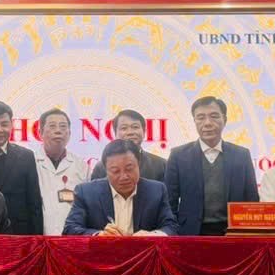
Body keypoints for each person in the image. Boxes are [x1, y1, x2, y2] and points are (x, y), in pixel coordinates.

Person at [165, 97, 259, 236]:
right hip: (190, 233)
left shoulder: (241, 155)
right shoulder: (178, 155)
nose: (207, 123)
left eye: (214, 116)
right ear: (194, 121)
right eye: (200, 118)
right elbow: (169, 202)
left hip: (233, 233)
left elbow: (252, 199)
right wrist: (174, 231)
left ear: (224, 120)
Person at [64, 139, 178, 236]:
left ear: (138, 164)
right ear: (106, 170)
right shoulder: (86, 192)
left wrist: (152, 235)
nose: (124, 177)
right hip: (103, 254)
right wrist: (99, 235)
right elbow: (70, 229)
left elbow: (171, 227)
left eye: (129, 169)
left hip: (145, 254)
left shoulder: (156, 190)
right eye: (115, 171)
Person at [0, 100, 44, 235]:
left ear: (11, 125)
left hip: (18, 234)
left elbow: (34, 203)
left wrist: (36, 239)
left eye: (4, 124)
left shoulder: (26, 156)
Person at [34, 108, 89, 236]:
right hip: (39, 238)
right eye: (52, 126)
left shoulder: (81, 166)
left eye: (63, 126)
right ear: (40, 132)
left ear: (69, 133)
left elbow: (88, 206)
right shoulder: (30, 162)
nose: (58, 131)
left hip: (73, 238)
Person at [90, 110, 167, 182]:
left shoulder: (161, 165)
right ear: (115, 133)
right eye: (124, 128)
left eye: (135, 127)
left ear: (144, 132)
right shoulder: (101, 168)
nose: (130, 132)